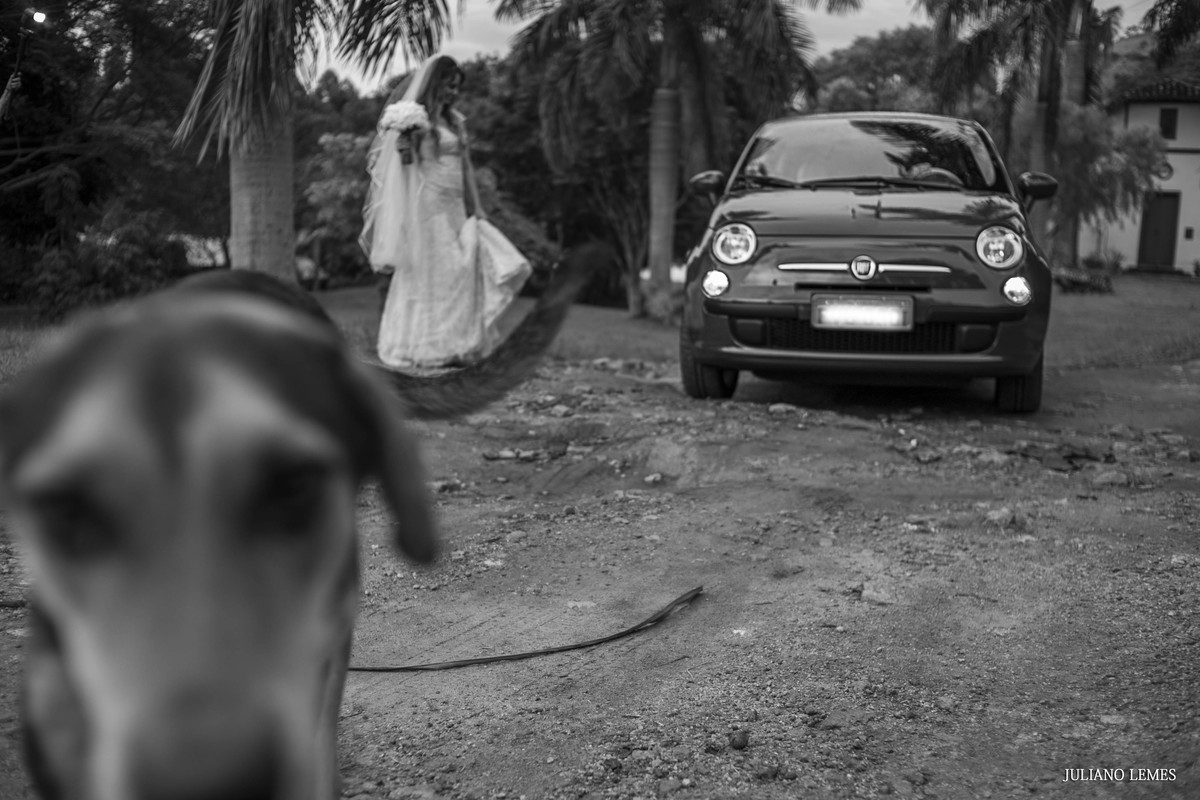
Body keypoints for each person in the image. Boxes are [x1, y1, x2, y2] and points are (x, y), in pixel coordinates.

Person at [360, 54, 531, 370]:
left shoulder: (456, 121)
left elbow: (466, 167)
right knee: (435, 273)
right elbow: (406, 168)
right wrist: (405, 146)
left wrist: (477, 208)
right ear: (435, 84)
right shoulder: (416, 120)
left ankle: (458, 343)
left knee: (461, 273)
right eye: (449, 86)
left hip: (455, 205)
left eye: (457, 88)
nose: (453, 93)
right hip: (428, 205)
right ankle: (424, 345)